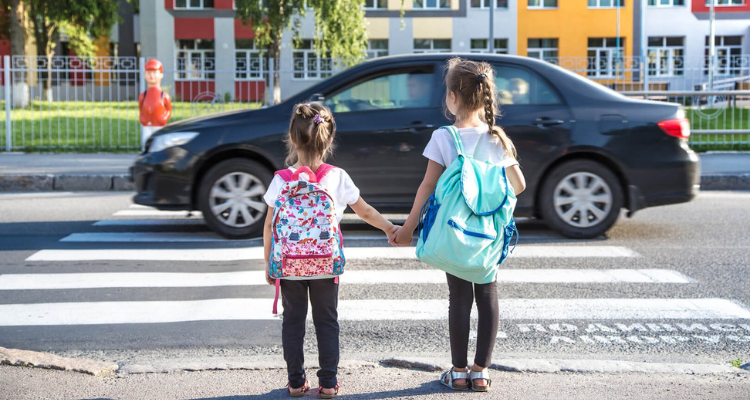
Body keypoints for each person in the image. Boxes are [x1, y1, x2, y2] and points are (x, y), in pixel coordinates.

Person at [391, 57, 526, 391]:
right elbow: (519, 185)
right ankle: (481, 372)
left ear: (452, 97)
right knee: (488, 293)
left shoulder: (443, 137)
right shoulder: (497, 138)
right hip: (488, 234)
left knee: (459, 297)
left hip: (454, 232)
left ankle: (459, 370)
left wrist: (407, 229)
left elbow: (427, 186)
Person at [263, 103, 399, 398]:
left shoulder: (281, 180)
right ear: (328, 139)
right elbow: (364, 211)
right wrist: (390, 228)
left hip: (290, 265)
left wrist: (269, 264)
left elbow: (269, 226)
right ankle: (328, 383)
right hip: (326, 264)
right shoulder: (337, 177)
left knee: (293, 321)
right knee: (327, 320)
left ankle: (296, 383)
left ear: (292, 137)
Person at [138, 59, 172, 152]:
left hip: (159, 124)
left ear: (161, 75)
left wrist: (164, 118)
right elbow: (141, 110)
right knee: (146, 143)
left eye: (154, 72)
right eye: (148, 72)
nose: (151, 75)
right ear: (145, 75)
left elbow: (168, 110)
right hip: (147, 125)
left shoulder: (164, 96)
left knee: (160, 143)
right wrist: (142, 118)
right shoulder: (142, 96)